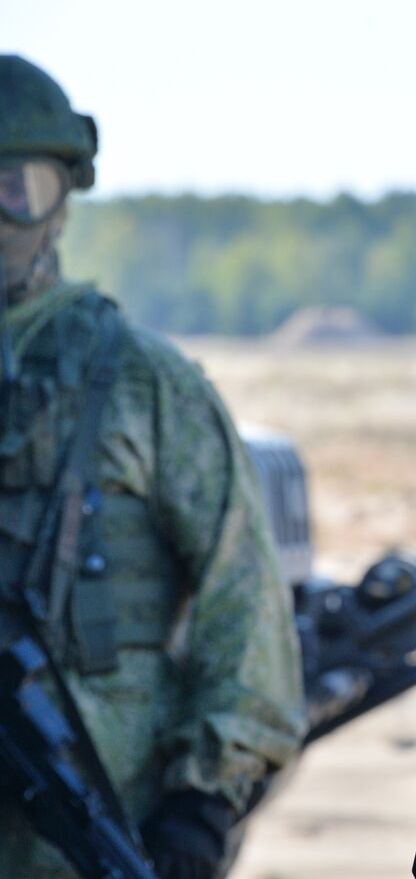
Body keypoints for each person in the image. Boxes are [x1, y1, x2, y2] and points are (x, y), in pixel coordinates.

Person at [0, 55, 306, 879]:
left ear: (63, 201)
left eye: (16, 187)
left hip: (98, 823)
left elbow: (243, 605)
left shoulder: (140, 381)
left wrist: (202, 806)